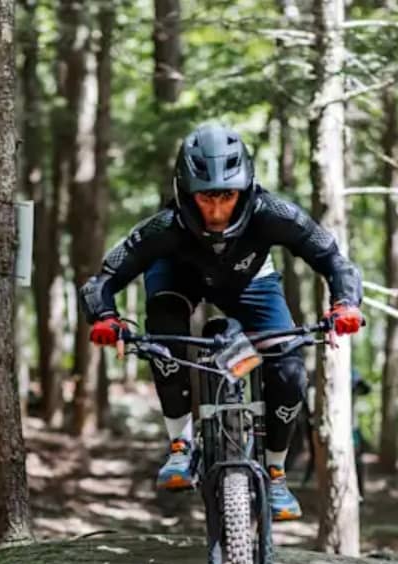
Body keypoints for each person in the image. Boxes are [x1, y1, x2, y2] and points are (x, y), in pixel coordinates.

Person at [81, 122, 365, 521]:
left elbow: (334, 260)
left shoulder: (272, 212)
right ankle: (180, 446)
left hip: (250, 279)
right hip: (177, 277)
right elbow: (102, 281)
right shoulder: (165, 227)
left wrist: (345, 304)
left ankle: (276, 471)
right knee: (165, 338)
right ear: (184, 193)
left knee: (289, 370)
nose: (215, 211)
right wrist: (105, 318)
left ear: (246, 190)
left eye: (227, 197)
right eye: (205, 199)